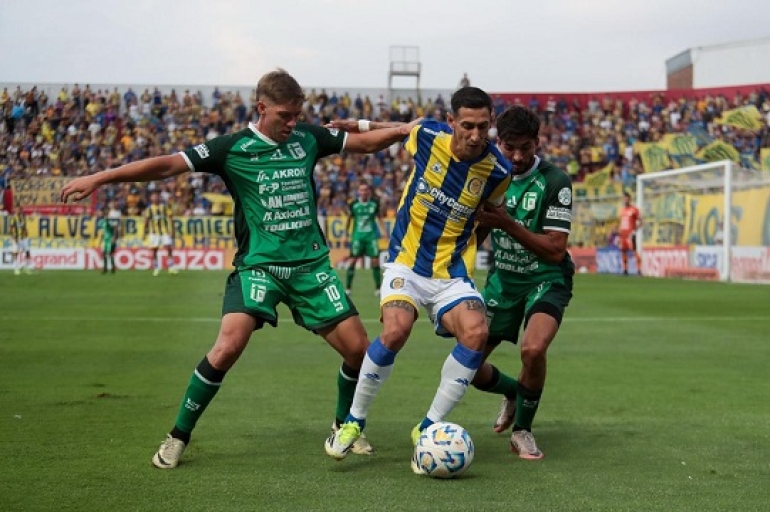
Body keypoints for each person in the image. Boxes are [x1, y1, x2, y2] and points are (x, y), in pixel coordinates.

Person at [61, 68, 420, 470]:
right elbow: (166, 165)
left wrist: (405, 129)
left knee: (358, 349)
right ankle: (178, 435)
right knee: (227, 346)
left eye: (297, 115)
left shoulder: (307, 138)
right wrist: (100, 176)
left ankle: (343, 426)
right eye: (285, 115)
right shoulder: (231, 148)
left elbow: (363, 143)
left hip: (310, 268)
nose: (292, 123)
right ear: (262, 107)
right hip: (260, 268)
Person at [324, 87, 513, 473]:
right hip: (405, 263)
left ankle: (427, 428)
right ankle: (353, 422)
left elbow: (491, 213)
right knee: (395, 331)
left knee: (476, 334)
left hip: (451, 272)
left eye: (482, 127)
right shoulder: (428, 136)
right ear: (451, 123)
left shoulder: (498, 172)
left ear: (491, 123)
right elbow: (399, 128)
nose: (475, 135)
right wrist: (358, 126)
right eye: (466, 126)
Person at [469, 105, 575, 460]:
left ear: (537, 143)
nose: (516, 156)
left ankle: (523, 431)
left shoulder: (555, 181)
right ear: (498, 141)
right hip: (503, 280)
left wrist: (508, 223)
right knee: (465, 368)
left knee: (532, 350)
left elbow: (555, 251)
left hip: (546, 279)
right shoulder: (485, 176)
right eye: (508, 147)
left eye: (525, 148)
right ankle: (516, 392)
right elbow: (477, 232)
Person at [343, 182, 386, 296]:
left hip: (371, 237)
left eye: (366, 190)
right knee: (352, 261)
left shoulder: (374, 204)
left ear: (369, 191)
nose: (364, 192)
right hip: (358, 237)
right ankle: (348, 288)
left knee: (375, 261)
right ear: (358, 191)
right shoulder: (354, 204)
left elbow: (379, 218)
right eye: (361, 190)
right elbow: (349, 219)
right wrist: (345, 234)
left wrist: (384, 231)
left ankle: (378, 288)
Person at [143, 191, 178, 276]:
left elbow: (171, 219)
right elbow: (146, 222)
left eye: (156, 196)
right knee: (155, 250)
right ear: (151, 199)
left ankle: (171, 267)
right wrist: (144, 233)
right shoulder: (149, 209)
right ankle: (156, 268)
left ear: (158, 198)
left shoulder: (164, 207)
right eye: (153, 197)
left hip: (165, 231)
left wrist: (172, 231)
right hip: (154, 233)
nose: (155, 198)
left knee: (169, 248)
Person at [619, 191, 642, 275]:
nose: (625, 199)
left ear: (629, 199)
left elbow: (640, 221)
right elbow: (621, 223)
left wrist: (634, 231)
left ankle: (639, 270)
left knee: (634, 250)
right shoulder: (622, 210)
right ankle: (625, 270)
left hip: (630, 234)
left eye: (626, 198)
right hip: (622, 235)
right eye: (624, 198)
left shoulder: (634, 210)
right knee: (623, 251)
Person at [10, 207, 32, 275]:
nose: (19, 211)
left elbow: (24, 226)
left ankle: (26, 267)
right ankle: (16, 268)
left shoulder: (23, 217)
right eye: (17, 210)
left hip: (24, 238)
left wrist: (26, 232)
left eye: (20, 209)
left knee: (27, 252)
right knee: (15, 253)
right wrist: (14, 237)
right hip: (16, 238)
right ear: (15, 210)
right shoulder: (13, 218)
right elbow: (11, 228)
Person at [97, 205, 118, 274]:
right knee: (103, 253)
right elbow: (102, 232)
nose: (99, 213)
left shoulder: (107, 220)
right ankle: (105, 268)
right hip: (104, 240)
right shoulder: (101, 221)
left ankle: (113, 267)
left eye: (100, 212)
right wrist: (100, 240)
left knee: (110, 253)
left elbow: (115, 228)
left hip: (109, 239)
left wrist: (114, 238)